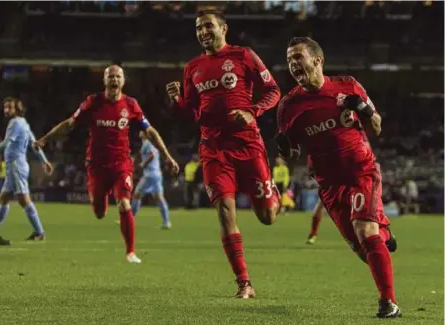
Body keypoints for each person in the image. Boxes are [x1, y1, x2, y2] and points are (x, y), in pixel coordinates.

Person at [276, 37, 400, 318]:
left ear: (317, 60)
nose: (293, 64)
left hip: (361, 172)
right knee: (361, 248)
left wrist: (363, 108)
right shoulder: (288, 106)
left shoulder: (348, 86)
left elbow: (376, 127)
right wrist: (285, 150)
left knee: (364, 232)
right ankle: (384, 231)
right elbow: (293, 152)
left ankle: (388, 303)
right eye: (289, 60)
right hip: (329, 185)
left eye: (298, 57)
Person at [166, 10, 281, 298]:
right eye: (198, 28)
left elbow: (273, 90)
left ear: (223, 28)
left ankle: (272, 192)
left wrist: (252, 112)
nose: (203, 31)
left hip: (248, 144)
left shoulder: (244, 56)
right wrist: (178, 100)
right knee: (224, 211)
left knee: (267, 217)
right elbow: (193, 112)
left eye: (208, 26)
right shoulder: (192, 67)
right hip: (213, 149)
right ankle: (244, 282)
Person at [34, 65, 179, 263]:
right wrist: (45, 139)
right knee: (99, 212)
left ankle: (130, 252)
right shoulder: (93, 102)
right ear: (104, 80)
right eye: (110, 76)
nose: (114, 79)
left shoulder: (131, 105)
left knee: (124, 202)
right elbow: (70, 123)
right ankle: (102, 202)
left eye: (118, 76)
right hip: (96, 166)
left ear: (123, 80)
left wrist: (167, 156)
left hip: (121, 164)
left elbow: (151, 131)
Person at [0, 97, 53, 245]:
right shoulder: (24, 123)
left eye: (9, 108)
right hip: (16, 165)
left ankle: (39, 232)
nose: (6, 110)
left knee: (23, 199)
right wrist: (44, 160)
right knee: (3, 199)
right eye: (5, 107)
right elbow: (35, 144)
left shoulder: (14, 123)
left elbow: (8, 142)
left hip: (16, 165)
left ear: (17, 109)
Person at [131, 131, 171, 229]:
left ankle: (129, 220)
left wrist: (143, 164)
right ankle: (166, 222)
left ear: (146, 134)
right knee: (159, 198)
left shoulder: (148, 143)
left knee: (136, 195)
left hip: (149, 175)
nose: (140, 132)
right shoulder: (149, 143)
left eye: (142, 131)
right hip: (156, 174)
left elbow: (152, 154)